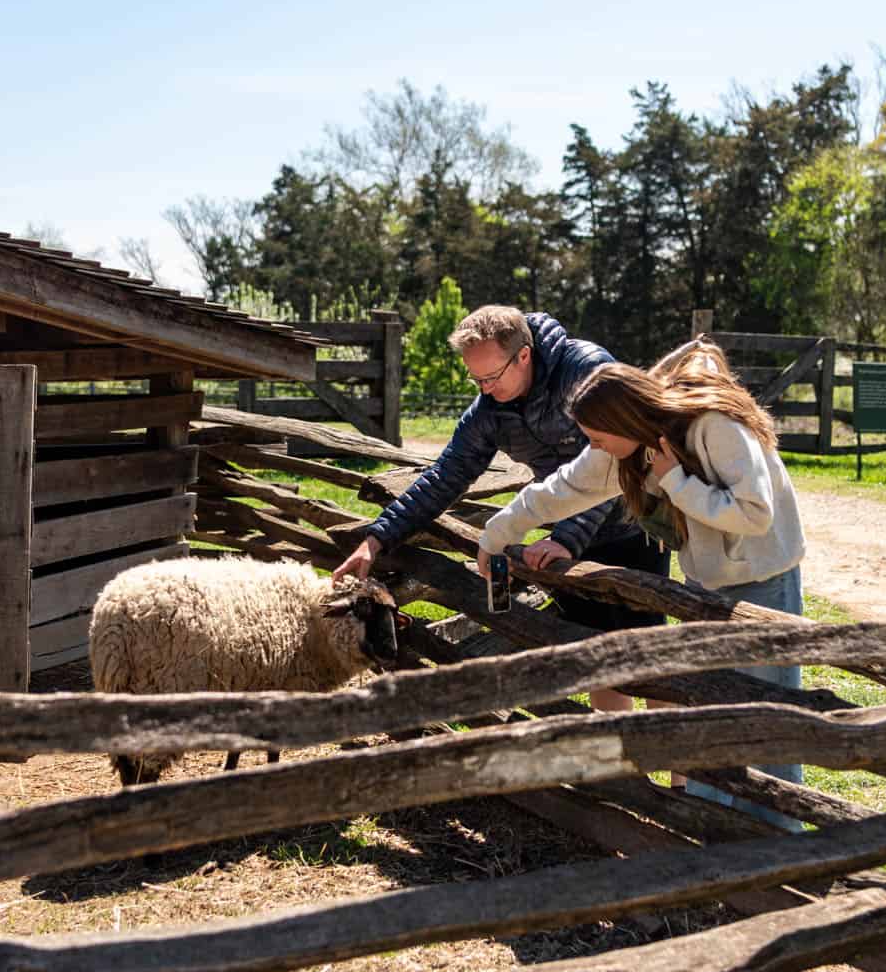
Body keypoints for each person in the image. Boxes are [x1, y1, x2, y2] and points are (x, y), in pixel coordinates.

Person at [475, 341, 807, 828]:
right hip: (705, 584)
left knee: (766, 715)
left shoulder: (714, 426)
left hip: (762, 582)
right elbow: (563, 489)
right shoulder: (626, 447)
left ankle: (777, 838)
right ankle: (713, 827)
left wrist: (675, 482)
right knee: (705, 706)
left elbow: (754, 513)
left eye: (596, 436)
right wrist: (497, 535)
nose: (595, 447)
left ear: (622, 419)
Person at [332, 304, 671, 712]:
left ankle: (679, 776)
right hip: (566, 541)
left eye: (491, 376)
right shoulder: (491, 408)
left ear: (523, 355)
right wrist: (378, 537)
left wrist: (567, 537)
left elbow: (612, 468)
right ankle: (620, 771)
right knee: (598, 654)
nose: (484, 389)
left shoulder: (586, 372)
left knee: (650, 656)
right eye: (476, 379)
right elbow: (445, 477)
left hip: (632, 527)